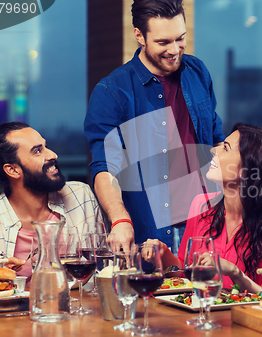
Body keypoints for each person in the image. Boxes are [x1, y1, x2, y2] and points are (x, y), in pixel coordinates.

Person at [84, 0, 225, 255]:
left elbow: (216, 141)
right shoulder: (112, 92)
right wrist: (120, 220)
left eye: (180, 38)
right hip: (154, 233)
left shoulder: (197, 72)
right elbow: (105, 168)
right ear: (139, 35)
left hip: (207, 225)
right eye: (163, 42)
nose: (175, 50)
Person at [146, 123, 262, 292]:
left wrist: (236, 273)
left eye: (226, 148)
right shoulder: (201, 205)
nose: (214, 151)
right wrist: (164, 255)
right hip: (200, 315)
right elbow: (187, 276)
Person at [0, 122, 102, 282]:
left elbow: (104, 269)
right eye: (37, 151)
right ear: (12, 170)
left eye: (46, 146)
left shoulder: (81, 196)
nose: (53, 155)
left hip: (79, 305)